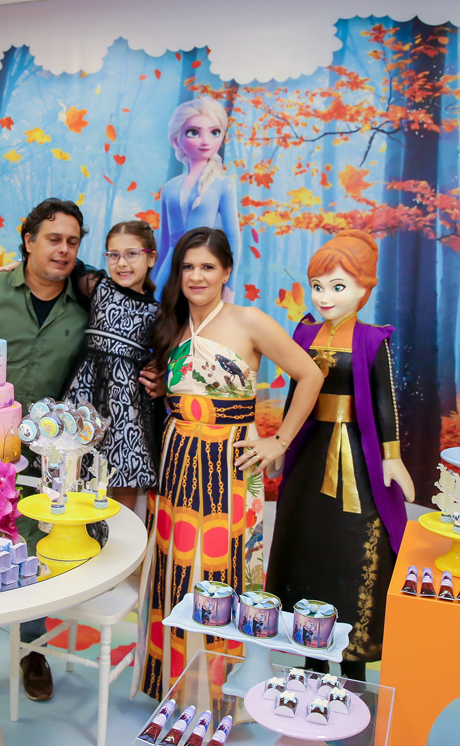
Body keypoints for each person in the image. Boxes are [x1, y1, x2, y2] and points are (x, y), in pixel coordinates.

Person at [136, 227, 323, 700]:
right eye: (188, 267)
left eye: (208, 266)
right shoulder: (172, 324)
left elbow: (309, 374)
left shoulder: (249, 320)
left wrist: (279, 440)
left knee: (228, 568)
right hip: (177, 457)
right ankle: (173, 691)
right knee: (175, 566)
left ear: (226, 272)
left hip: (231, 462)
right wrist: (163, 387)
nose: (196, 276)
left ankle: (223, 697)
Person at [264, 230, 414, 684]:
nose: (325, 297)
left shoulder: (371, 339)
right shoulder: (304, 332)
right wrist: (283, 442)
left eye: (338, 286)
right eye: (318, 286)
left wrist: (392, 457)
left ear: (365, 288)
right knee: (304, 541)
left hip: (356, 461)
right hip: (308, 454)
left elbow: (385, 401)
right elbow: (296, 392)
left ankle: (353, 666)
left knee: (352, 547)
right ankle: (308, 659)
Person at [0, 197, 89, 703]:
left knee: (35, 542)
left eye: (72, 242)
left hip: (48, 453)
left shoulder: (86, 305)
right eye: (54, 239)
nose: (63, 250)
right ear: (29, 240)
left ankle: (32, 649)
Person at [64, 220, 161, 511]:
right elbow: (66, 265)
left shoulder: (156, 311)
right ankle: (76, 529)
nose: (122, 263)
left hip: (126, 402)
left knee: (124, 470)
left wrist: (161, 373)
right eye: (113, 255)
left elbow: (168, 355)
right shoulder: (97, 287)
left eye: (132, 254)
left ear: (151, 258)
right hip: (86, 392)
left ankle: (122, 534)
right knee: (73, 465)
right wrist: (18, 267)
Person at [151, 98, 240, 298]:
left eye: (214, 132)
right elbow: (164, 240)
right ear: (176, 140)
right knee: (162, 313)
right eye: (193, 132)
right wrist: (154, 281)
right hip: (170, 269)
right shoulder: (169, 188)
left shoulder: (223, 185)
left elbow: (233, 237)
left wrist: (229, 283)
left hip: (204, 267)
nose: (205, 141)